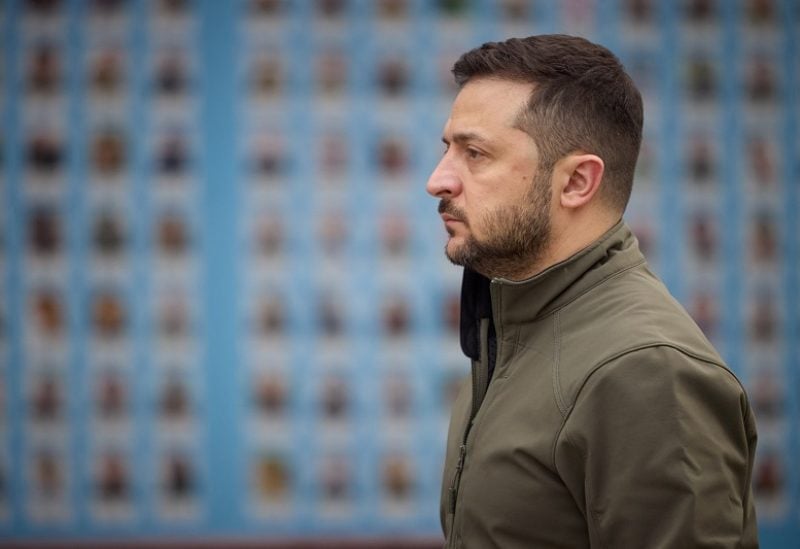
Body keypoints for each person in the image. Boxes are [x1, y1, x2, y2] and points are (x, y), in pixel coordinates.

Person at [426, 35, 758, 548]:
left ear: (578, 182)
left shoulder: (647, 371)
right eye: (447, 149)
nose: (438, 180)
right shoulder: (507, 326)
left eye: (475, 153)